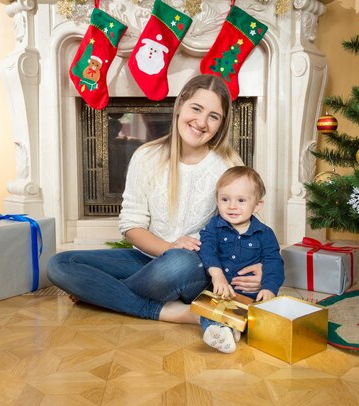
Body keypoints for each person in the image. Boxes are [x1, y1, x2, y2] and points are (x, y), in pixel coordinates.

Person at [47, 74, 263, 324]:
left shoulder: (227, 164)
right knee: (60, 264)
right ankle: (168, 311)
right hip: (147, 260)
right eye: (196, 108)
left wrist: (262, 268)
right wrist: (169, 248)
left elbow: (251, 224)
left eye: (213, 116)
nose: (201, 122)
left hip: (194, 267)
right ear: (180, 104)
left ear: (221, 124)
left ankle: (101, 292)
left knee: (178, 263)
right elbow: (132, 226)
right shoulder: (146, 156)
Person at [198, 166, 284, 353]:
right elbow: (207, 249)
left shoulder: (265, 233)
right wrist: (217, 274)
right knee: (210, 313)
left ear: (257, 205)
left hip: (251, 295)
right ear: (217, 201)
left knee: (264, 320)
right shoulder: (214, 226)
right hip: (222, 293)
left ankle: (235, 328)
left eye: (241, 200)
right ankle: (220, 332)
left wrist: (269, 288)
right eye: (225, 199)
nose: (232, 206)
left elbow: (273, 262)